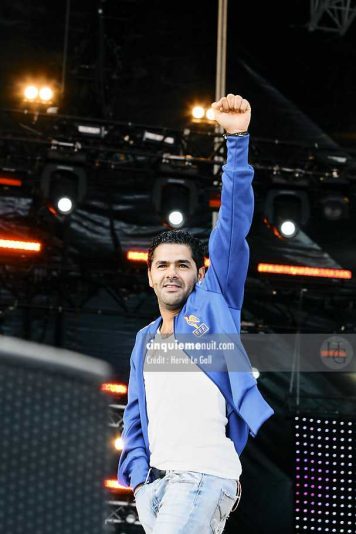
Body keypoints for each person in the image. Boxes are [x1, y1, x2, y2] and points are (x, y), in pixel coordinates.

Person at [117, 94, 274, 533]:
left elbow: (233, 223)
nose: (172, 273)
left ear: (199, 272)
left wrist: (237, 140)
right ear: (149, 276)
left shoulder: (214, 300)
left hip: (202, 475)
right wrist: (137, 477)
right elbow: (134, 413)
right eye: (162, 265)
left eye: (182, 264)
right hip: (157, 485)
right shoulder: (145, 340)